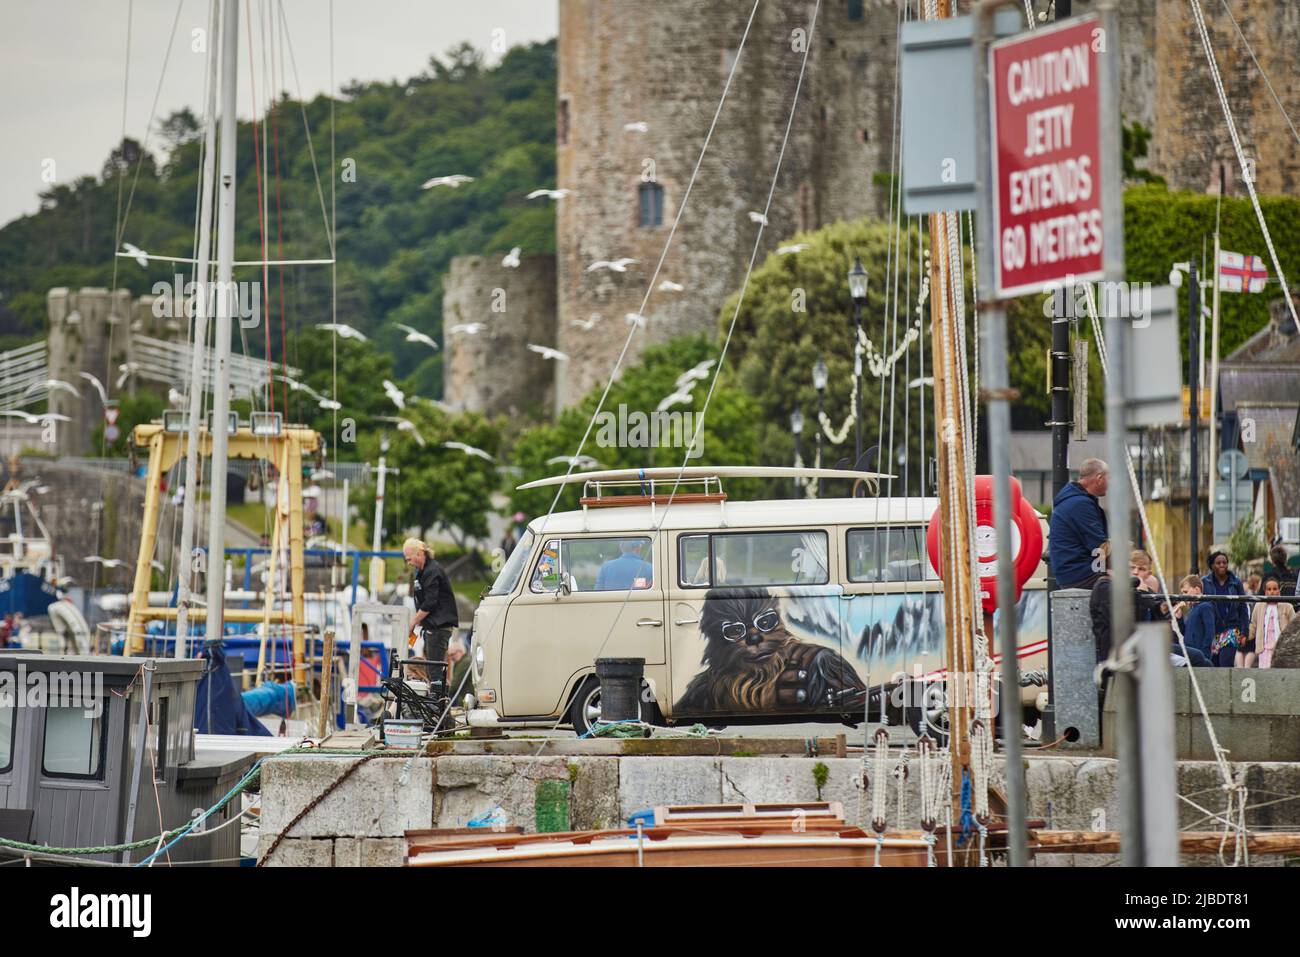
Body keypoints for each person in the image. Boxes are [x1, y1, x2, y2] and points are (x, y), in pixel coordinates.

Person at [403, 538, 458, 683]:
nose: (408, 563)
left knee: (434, 671)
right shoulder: (423, 572)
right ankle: (435, 700)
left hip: (438, 627)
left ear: (420, 554)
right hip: (432, 627)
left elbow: (430, 603)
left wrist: (413, 622)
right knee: (432, 668)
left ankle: (436, 703)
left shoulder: (432, 571)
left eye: (410, 559)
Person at [1049, 458, 1110, 589]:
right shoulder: (1080, 505)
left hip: (1072, 571)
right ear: (1099, 479)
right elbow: (1100, 547)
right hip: (1080, 573)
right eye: (1108, 478)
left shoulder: (1073, 500)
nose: (1109, 483)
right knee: (1135, 583)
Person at [1202, 550, 1251, 668]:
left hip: (1231, 630)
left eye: (1224, 562)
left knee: (1226, 663)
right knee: (1213, 665)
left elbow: (1243, 607)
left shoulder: (1236, 582)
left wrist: (1245, 632)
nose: (1222, 565)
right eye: (1218, 563)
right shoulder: (1205, 582)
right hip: (1212, 630)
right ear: (1212, 566)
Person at [1250, 576, 1295, 669]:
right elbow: (1253, 625)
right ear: (1265, 591)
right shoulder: (1259, 606)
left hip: (1281, 647)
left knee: (1279, 671)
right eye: (1269, 589)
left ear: (1279, 591)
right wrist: (1245, 636)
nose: (1272, 591)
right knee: (1265, 670)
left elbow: (1293, 626)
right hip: (1264, 648)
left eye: (1275, 589)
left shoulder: (1287, 606)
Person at [1173, 575, 1217, 665]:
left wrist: (1205, 653)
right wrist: (1179, 619)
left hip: (1200, 654)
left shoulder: (1205, 606)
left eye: (1185, 592)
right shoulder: (1192, 609)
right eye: (1182, 593)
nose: (1183, 596)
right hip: (1190, 653)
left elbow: (1210, 632)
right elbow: (1185, 631)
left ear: (1197, 590)